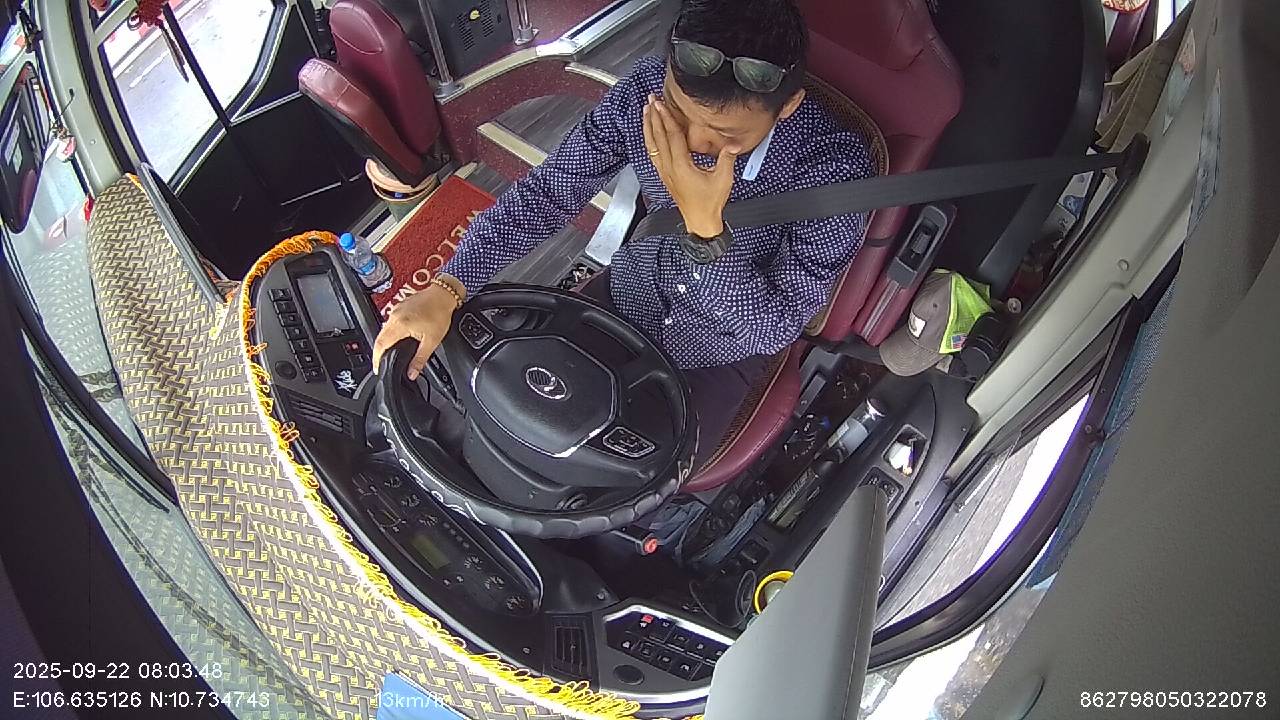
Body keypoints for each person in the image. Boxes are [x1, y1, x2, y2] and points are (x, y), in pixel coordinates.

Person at [373, 0, 874, 469]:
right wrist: (448, 285)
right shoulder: (645, 92)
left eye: (726, 137)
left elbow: (775, 327)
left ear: (786, 108)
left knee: (614, 481)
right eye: (679, 113)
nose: (691, 143)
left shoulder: (833, 170)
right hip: (624, 296)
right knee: (495, 421)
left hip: (719, 348)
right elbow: (548, 193)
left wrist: (705, 231)